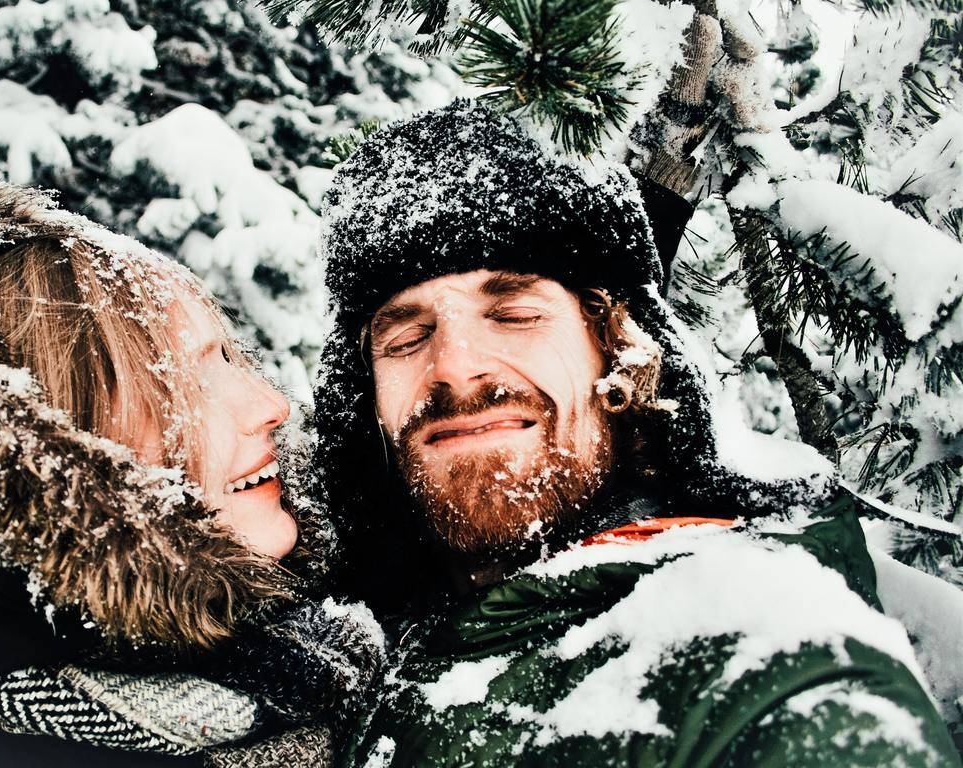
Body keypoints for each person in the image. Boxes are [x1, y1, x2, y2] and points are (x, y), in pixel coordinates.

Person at [313, 101, 961, 766]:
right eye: (407, 335)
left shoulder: (758, 652)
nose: (451, 364)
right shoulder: (343, 638)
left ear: (618, 353)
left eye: (513, 313)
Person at [0, 173, 379, 767]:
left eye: (228, 356)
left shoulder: (309, 653)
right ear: (58, 462)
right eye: (186, 382)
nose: (270, 405)